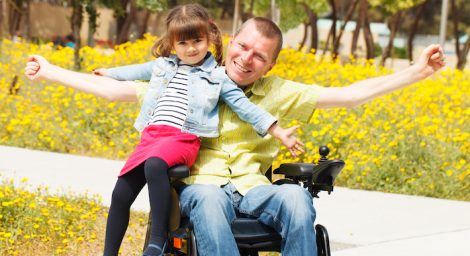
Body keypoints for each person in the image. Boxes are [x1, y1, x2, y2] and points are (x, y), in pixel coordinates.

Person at [26, 16, 445, 256]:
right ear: (228, 42)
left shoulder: (282, 93)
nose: (246, 58)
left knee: (296, 197)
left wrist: (419, 71)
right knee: (207, 198)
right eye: (241, 46)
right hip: (202, 188)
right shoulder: (189, 77)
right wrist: (50, 70)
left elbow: (352, 95)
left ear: (271, 63)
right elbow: (115, 88)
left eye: (259, 55)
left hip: (255, 188)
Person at [24, 5, 303, 256]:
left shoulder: (217, 77)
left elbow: (245, 106)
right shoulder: (163, 67)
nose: (191, 49)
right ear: (172, 44)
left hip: (182, 138)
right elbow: (133, 72)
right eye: (183, 43)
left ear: (210, 40)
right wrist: (109, 72)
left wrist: (276, 130)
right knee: (120, 193)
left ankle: (157, 240)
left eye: (198, 41)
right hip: (152, 136)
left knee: (156, 166)